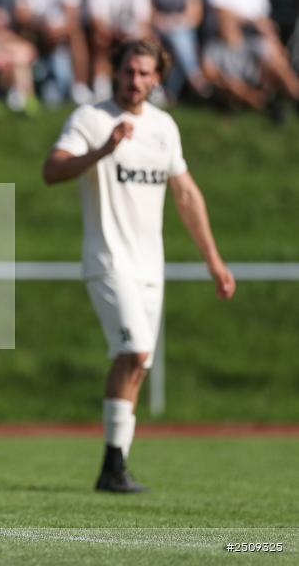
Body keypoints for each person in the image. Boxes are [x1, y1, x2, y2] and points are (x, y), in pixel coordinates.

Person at [42, 39, 236, 493]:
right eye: (129, 71)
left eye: (145, 73)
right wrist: (102, 152)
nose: (135, 81)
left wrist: (215, 261)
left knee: (137, 362)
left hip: (151, 266)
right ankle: (112, 467)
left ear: (157, 77)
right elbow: (52, 170)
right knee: (136, 353)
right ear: (116, 71)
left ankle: (115, 466)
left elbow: (186, 194)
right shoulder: (91, 119)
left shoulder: (164, 128)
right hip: (108, 261)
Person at [204, 0, 299, 105]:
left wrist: (272, 37)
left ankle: (292, 93)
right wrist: (251, 22)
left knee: (277, 60)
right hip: (231, 37)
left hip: (254, 35)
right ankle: (266, 100)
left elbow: (262, 14)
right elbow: (221, 13)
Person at [13, 0, 93, 106]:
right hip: (34, 30)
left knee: (76, 34)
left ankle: (80, 87)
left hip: (60, 30)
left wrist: (57, 30)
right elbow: (20, 14)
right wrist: (42, 27)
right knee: (20, 35)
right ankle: (19, 88)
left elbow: (72, 15)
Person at [85, 0, 152, 100]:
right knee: (99, 39)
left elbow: (144, 21)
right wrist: (115, 33)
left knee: (148, 38)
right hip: (105, 35)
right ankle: (101, 87)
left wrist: (129, 34)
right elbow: (96, 21)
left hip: (131, 36)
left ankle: (146, 86)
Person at [149, 0, 208, 102]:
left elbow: (194, 15)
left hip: (183, 30)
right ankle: (195, 78)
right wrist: (166, 21)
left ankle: (168, 92)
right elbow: (150, 14)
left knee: (179, 38)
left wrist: (174, 21)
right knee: (180, 41)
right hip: (160, 30)